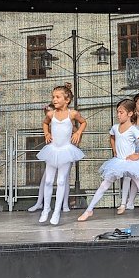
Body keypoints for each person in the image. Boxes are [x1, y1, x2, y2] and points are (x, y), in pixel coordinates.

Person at [78, 99, 139, 222]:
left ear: (130, 114)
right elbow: (112, 138)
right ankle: (89, 210)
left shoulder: (133, 129)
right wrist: (115, 150)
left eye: (121, 112)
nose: (118, 115)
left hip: (132, 163)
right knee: (103, 185)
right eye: (117, 112)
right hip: (118, 162)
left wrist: (138, 156)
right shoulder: (115, 127)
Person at [36, 83, 86, 225]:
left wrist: (78, 132)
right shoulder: (51, 114)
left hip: (66, 150)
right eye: (53, 97)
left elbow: (83, 122)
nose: (54, 100)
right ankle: (46, 209)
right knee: (48, 180)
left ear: (67, 99)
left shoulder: (72, 114)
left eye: (58, 97)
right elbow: (45, 123)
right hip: (52, 150)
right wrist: (46, 133)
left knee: (62, 181)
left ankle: (57, 211)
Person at [27, 103, 71, 213]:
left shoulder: (67, 119)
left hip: (65, 152)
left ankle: (65, 204)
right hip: (53, 152)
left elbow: (74, 131)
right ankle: (39, 203)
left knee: (64, 179)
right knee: (46, 179)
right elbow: (46, 127)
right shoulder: (50, 123)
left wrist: (74, 140)